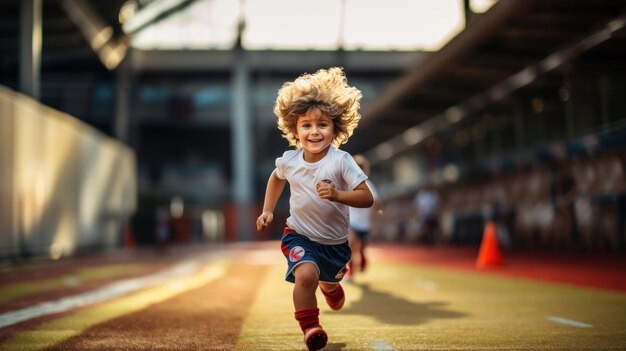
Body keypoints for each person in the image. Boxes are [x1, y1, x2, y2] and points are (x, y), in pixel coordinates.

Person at [256, 67, 373, 351]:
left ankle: (330, 287)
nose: (314, 131)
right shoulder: (290, 160)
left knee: (327, 282)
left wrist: (337, 194)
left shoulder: (341, 160)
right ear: (294, 130)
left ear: (335, 128)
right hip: (299, 234)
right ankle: (311, 329)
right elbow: (276, 177)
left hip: (334, 244)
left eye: (322, 124)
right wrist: (268, 210)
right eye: (306, 125)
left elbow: (366, 197)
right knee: (306, 275)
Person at [347, 154, 381, 281]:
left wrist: (379, 213)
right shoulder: (347, 184)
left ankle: (362, 258)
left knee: (361, 249)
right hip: (351, 222)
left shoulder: (368, 185)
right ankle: (351, 274)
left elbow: (377, 203)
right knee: (351, 245)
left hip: (365, 224)